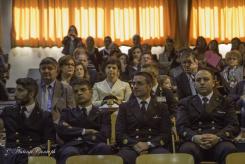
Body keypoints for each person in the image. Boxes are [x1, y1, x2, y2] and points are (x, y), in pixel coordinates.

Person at [177, 69, 240, 164]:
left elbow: (234, 125)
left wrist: (218, 137)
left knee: (229, 149)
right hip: (195, 141)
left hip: (219, 141)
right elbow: (181, 126)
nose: (202, 82)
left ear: (214, 83)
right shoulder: (185, 102)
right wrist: (195, 137)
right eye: (198, 80)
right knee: (186, 150)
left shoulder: (225, 101)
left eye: (206, 79)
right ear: (194, 84)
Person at [116, 72, 171, 164]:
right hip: (131, 146)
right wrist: (135, 144)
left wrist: (148, 144)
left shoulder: (161, 107)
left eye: (139, 83)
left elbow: (166, 133)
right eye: (133, 83)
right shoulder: (124, 107)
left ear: (149, 86)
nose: (135, 86)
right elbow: (120, 134)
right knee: (123, 158)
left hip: (155, 146)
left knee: (163, 157)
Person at [0, 78, 55, 164]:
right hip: (10, 155)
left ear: (31, 94)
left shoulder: (44, 116)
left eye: (20, 90)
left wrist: (41, 148)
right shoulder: (8, 111)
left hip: (32, 155)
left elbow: (50, 140)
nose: (15, 94)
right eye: (16, 90)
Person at [56, 79, 112, 164]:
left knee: (104, 148)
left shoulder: (103, 113)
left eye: (83, 90)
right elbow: (62, 131)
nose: (79, 93)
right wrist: (85, 131)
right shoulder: (67, 112)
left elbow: (104, 135)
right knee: (68, 152)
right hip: (73, 146)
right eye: (76, 91)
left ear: (91, 92)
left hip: (95, 145)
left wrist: (74, 132)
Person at [36, 57, 75, 122]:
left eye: (50, 68)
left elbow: (72, 112)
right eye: (43, 68)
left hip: (58, 126)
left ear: (57, 72)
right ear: (39, 71)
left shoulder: (66, 88)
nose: (46, 71)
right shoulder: (33, 87)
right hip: (37, 125)